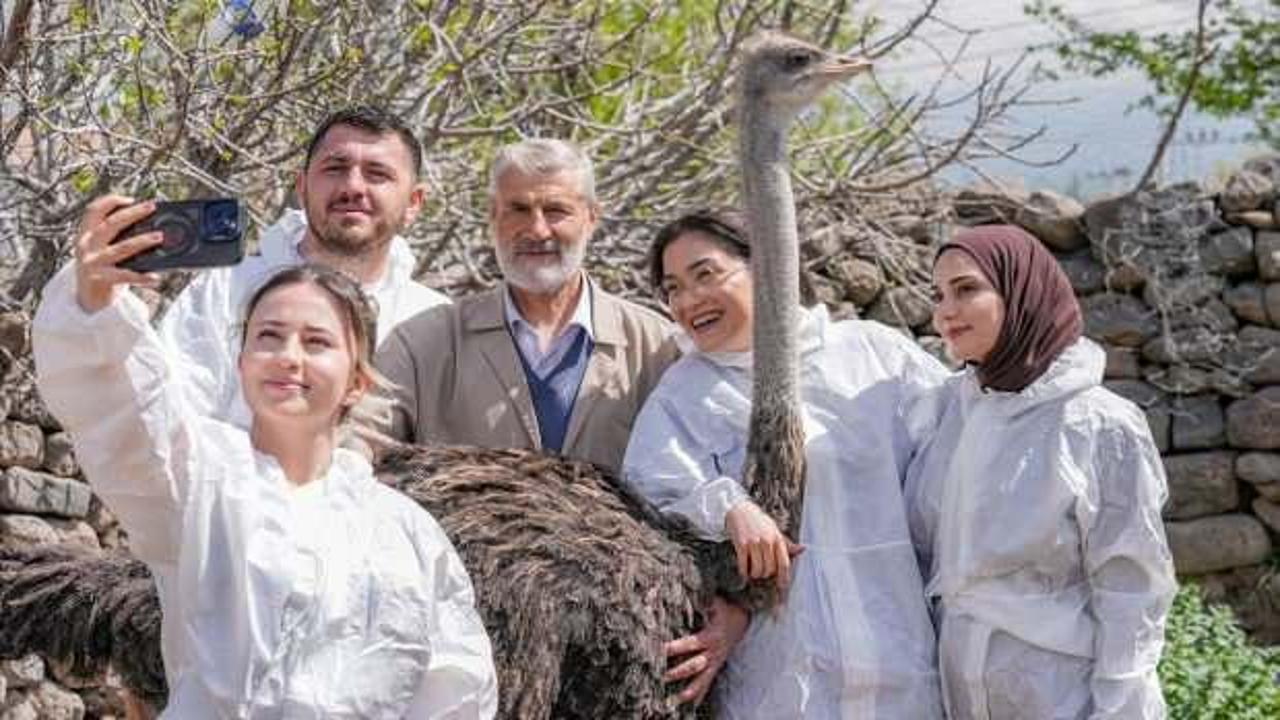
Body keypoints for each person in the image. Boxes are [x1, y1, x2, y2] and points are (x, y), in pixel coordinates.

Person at [32, 197, 498, 718]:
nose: (289, 357)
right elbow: (128, 408)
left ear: (356, 382)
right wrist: (95, 301)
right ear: (241, 361)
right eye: (268, 337)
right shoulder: (201, 481)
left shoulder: (406, 531)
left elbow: (456, 685)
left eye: (317, 341)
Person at [622, 209, 949, 718]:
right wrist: (728, 507)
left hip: (898, 664)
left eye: (705, 275)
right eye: (673, 288)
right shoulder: (682, 396)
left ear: (767, 264)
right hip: (780, 682)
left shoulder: (872, 356)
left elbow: (954, 465)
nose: (689, 301)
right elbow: (650, 491)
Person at [906, 224, 1176, 719]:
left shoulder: (1097, 423)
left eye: (967, 289)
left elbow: (1130, 588)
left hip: (1062, 696)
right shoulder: (948, 413)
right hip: (958, 693)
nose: (945, 311)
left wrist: (1120, 708)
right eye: (938, 294)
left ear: (1020, 291)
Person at [373, 138, 676, 473]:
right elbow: (360, 443)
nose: (536, 229)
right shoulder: (423, 344)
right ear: (492, 217)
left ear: (591, 218)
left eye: (556, 210)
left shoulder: (657, 348)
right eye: (518, 209)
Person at [162, 105, 450, 428]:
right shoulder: (226, 290)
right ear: (301, 187)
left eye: (377, 174)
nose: (353, 187)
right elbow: (173, 426)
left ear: (414, 203)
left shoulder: (437, 324)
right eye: (335, 168)